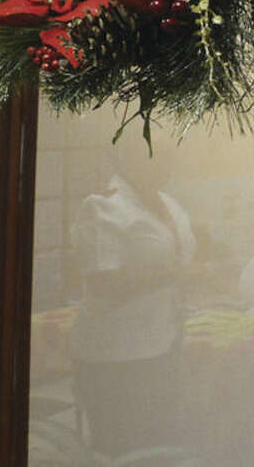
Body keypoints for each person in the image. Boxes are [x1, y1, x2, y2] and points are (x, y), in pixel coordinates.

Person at [69, 169, 196, 457]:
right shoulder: (102, 206)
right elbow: (104, 285)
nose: (165, 160)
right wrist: (173, 276)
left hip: (165, 345)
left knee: (158, 447)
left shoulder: (169, 203)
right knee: (122, 450)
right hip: (116, 356)